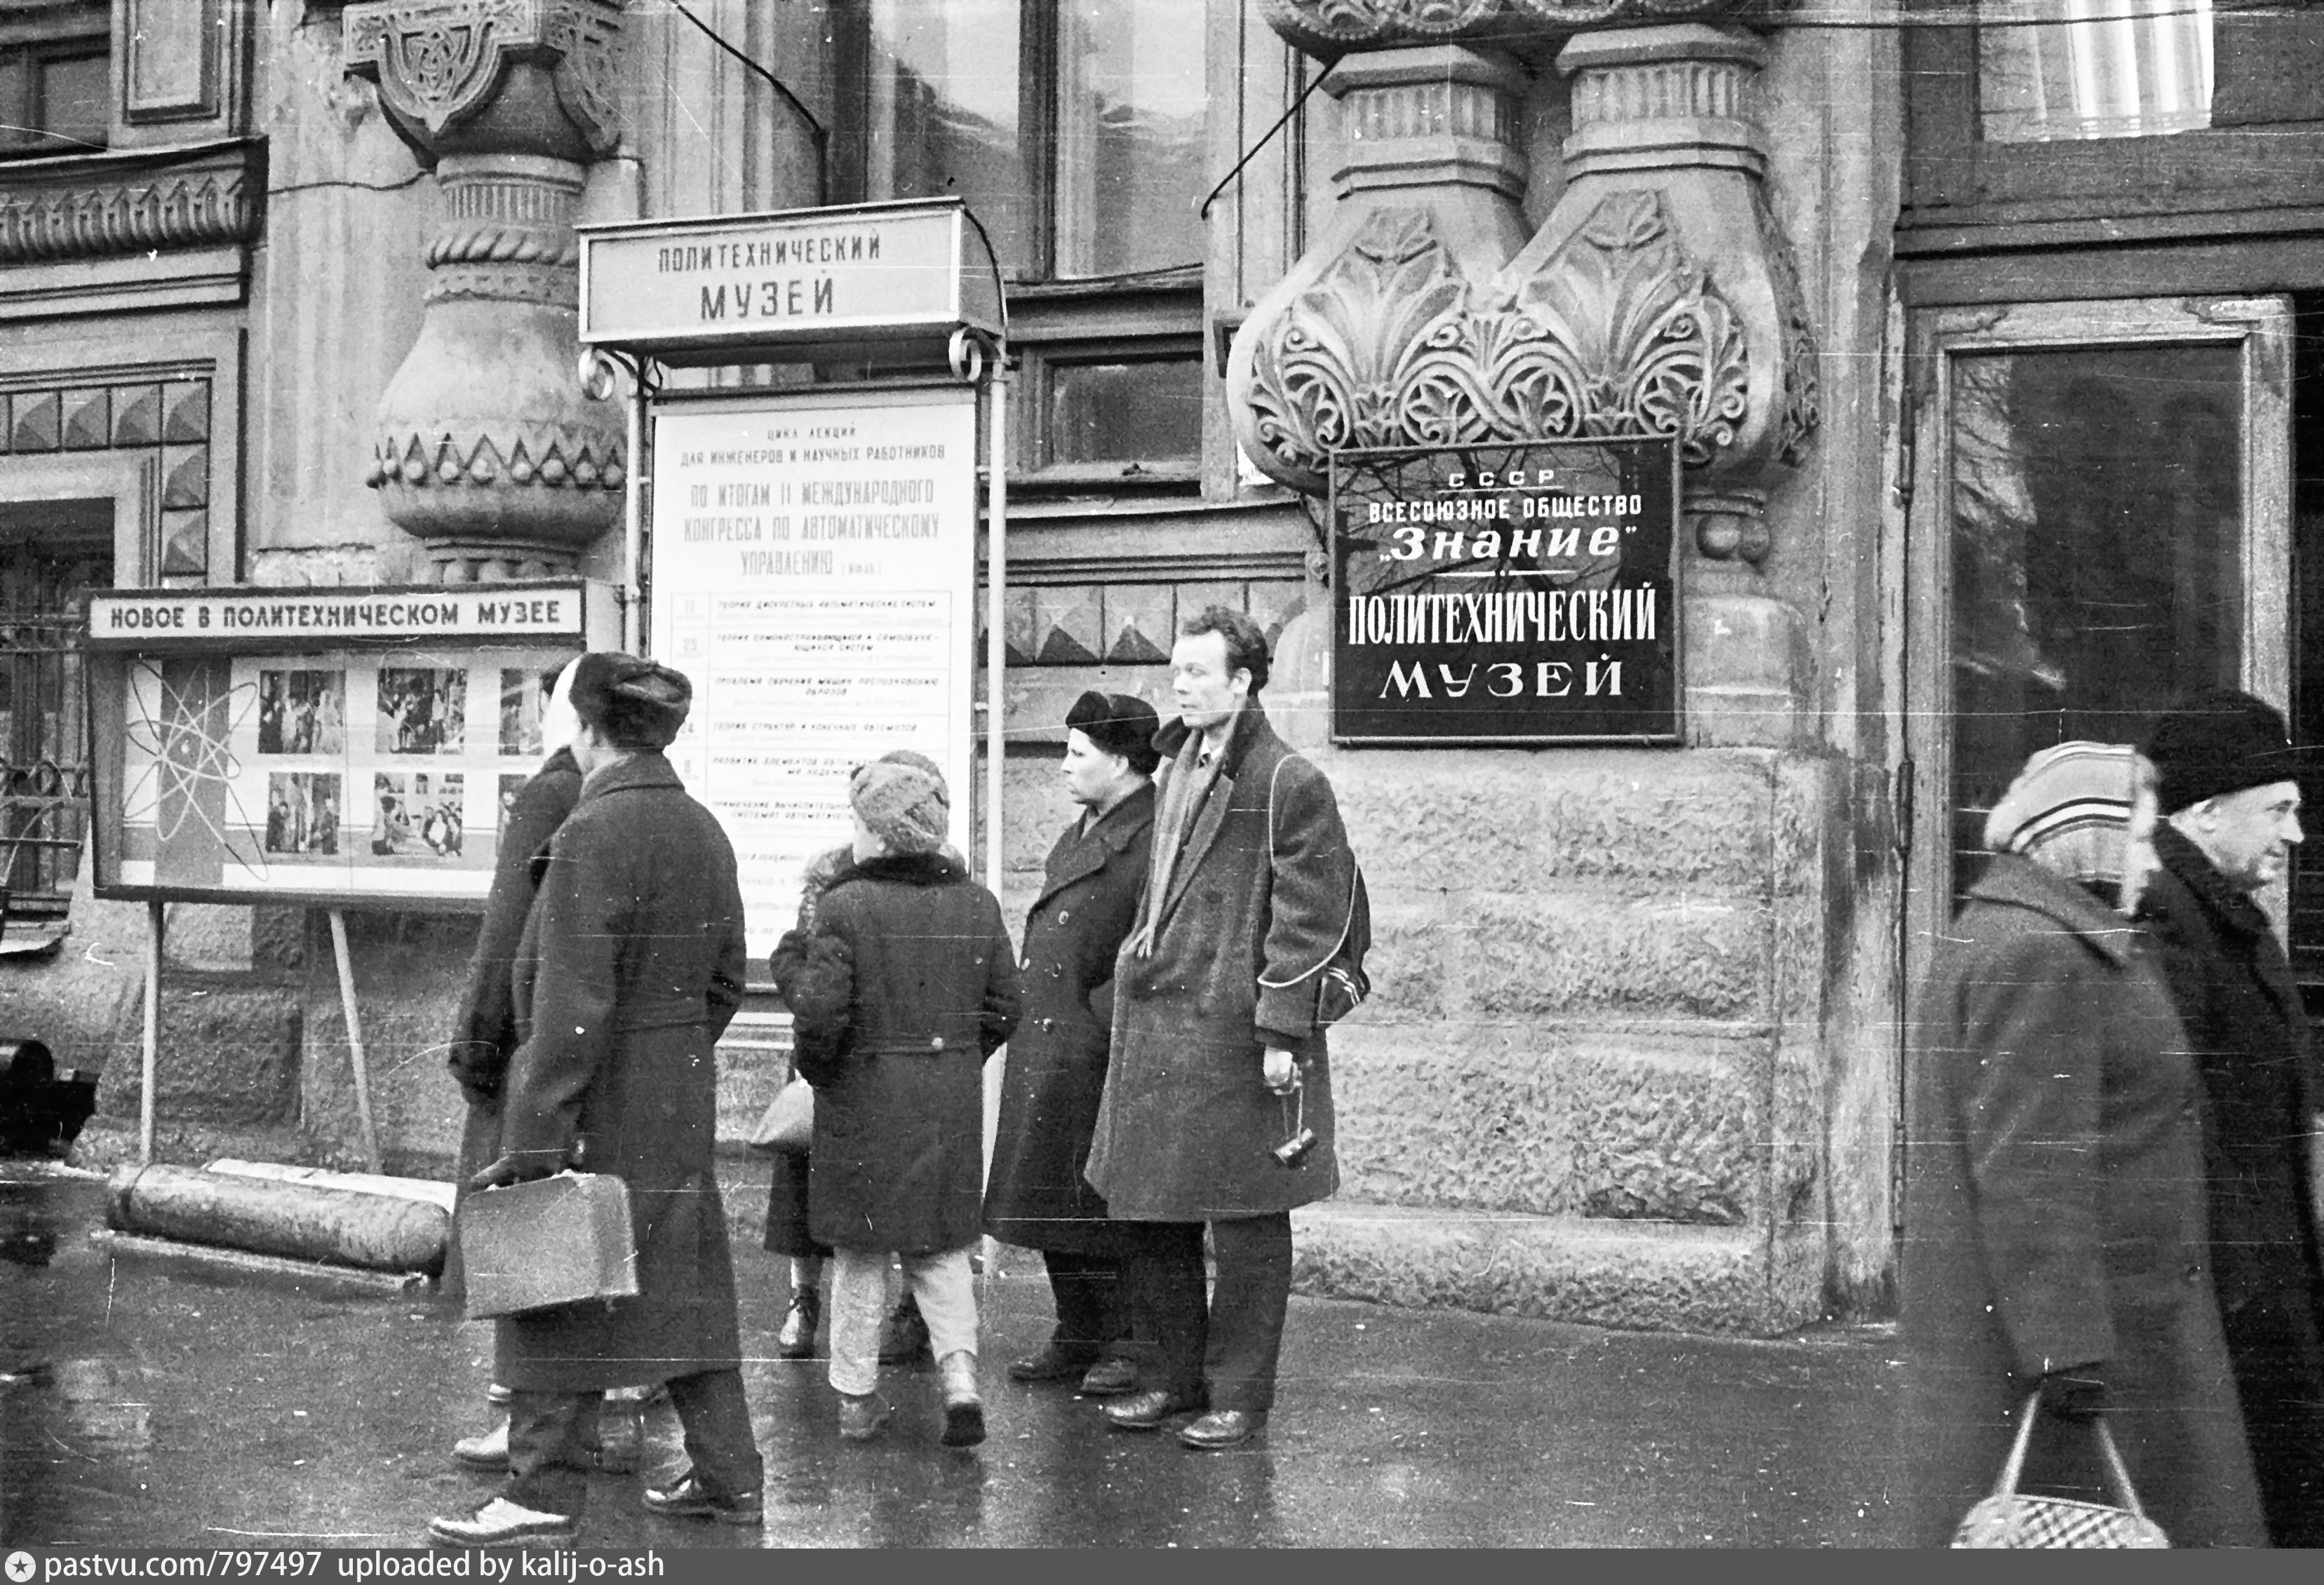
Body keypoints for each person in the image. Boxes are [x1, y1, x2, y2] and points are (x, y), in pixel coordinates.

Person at [428, 653, 763, 1547]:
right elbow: (727, 978)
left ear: (588, 729)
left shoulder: (589, 831)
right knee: (684, 1289)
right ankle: (734, 1479)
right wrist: (673, 1052)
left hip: (594, 1094)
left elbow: (571, 1004)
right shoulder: (703, 828)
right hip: (677, 1086)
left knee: (553, 1289)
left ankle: (539, 1494)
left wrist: (537, 1135)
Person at [1900, 740, 2266, 1547]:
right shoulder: (2043, 953)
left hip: (2085, 1324)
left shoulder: (2017, 933)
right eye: (2136, 840)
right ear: (2089, 842)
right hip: (2096, 1344)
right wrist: (2068, 1354)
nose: (2149, 863)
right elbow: (2029, 1168)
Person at [1086, 606, 1360, 1451]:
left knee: (1244, 1223)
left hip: (1237, 1036)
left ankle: (1238, 1396)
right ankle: (1174, 1378)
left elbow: (1312, 918)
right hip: (1162, 1029)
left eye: (1199, 671)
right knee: (1151, 1212)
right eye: (1177, 668)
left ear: (1243, 682)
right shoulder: (1177, 761)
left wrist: (1281, 1029)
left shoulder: (1287, 779)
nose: (1181, 683)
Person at [438, 660, 654, 1483]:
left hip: (534, 1043)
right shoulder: (626, 797)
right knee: (583, 1231)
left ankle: (519, 1410)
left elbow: (505, 927)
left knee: (520, 1217)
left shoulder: (551, 793)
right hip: (607, 1050)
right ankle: (583, 1413)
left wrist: (480, 1044)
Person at [777, 755, 1020, 1445]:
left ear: (879, 834)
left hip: (863, 1104)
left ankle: (856, 1402)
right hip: (945, 1104)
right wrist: (954, 1061)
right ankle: (960, 1379)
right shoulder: (976, 902)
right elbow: (1007, 1003)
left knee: (858, 1255)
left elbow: (821, 1019)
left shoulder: (846, 905)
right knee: (940, 1251)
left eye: (858, 823)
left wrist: (824, 1073)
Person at [2134, 689, 2324, 1548]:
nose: (2296, 835)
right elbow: (2177, 1120)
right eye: (2278, 810)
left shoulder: (2222, 915)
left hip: (2259, 1291)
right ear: (2206, 811)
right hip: (2230, 1306)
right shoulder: (2168, 923)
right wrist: (2249, 1299)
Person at [983, 691, 1159, 1396]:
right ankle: (1077, 1329)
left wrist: (1100, 1018)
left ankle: (1124, 1340)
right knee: (1056, 1198)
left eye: (1076, 753)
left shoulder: (1150, 837)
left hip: (1096, 1047)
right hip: (1056, 1044)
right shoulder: (1090, 828)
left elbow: (1157, 942)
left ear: (1120, 761)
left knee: (1100, 1206)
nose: (1062, 767)